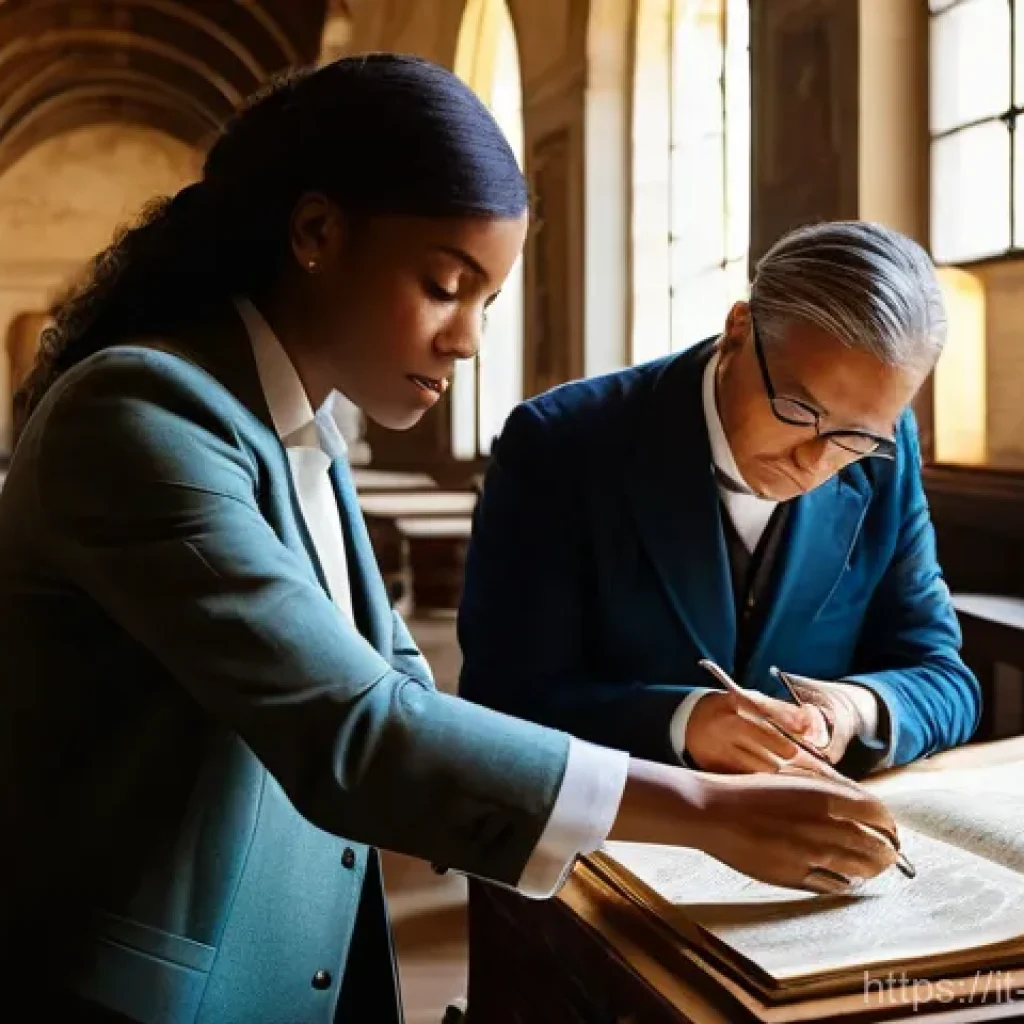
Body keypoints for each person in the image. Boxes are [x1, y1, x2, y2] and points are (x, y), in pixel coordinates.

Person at [0, 59, 899, 1024]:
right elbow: (359, 731)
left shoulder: (302, 427)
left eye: (487, 304)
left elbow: (405, 696)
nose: (467, 340)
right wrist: (705, 811)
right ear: (315, 234)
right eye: (443, 285)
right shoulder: (141, 414)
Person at [459, 220, 980, 780]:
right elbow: (503, 701)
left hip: (797, 840)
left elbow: (943, 678)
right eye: (799, 411)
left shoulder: (886, 449)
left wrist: (854, 711)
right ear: (738, 329)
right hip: (607, 837)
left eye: (855, 438)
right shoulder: (559, 443)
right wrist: (683, 721)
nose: (816, 461)